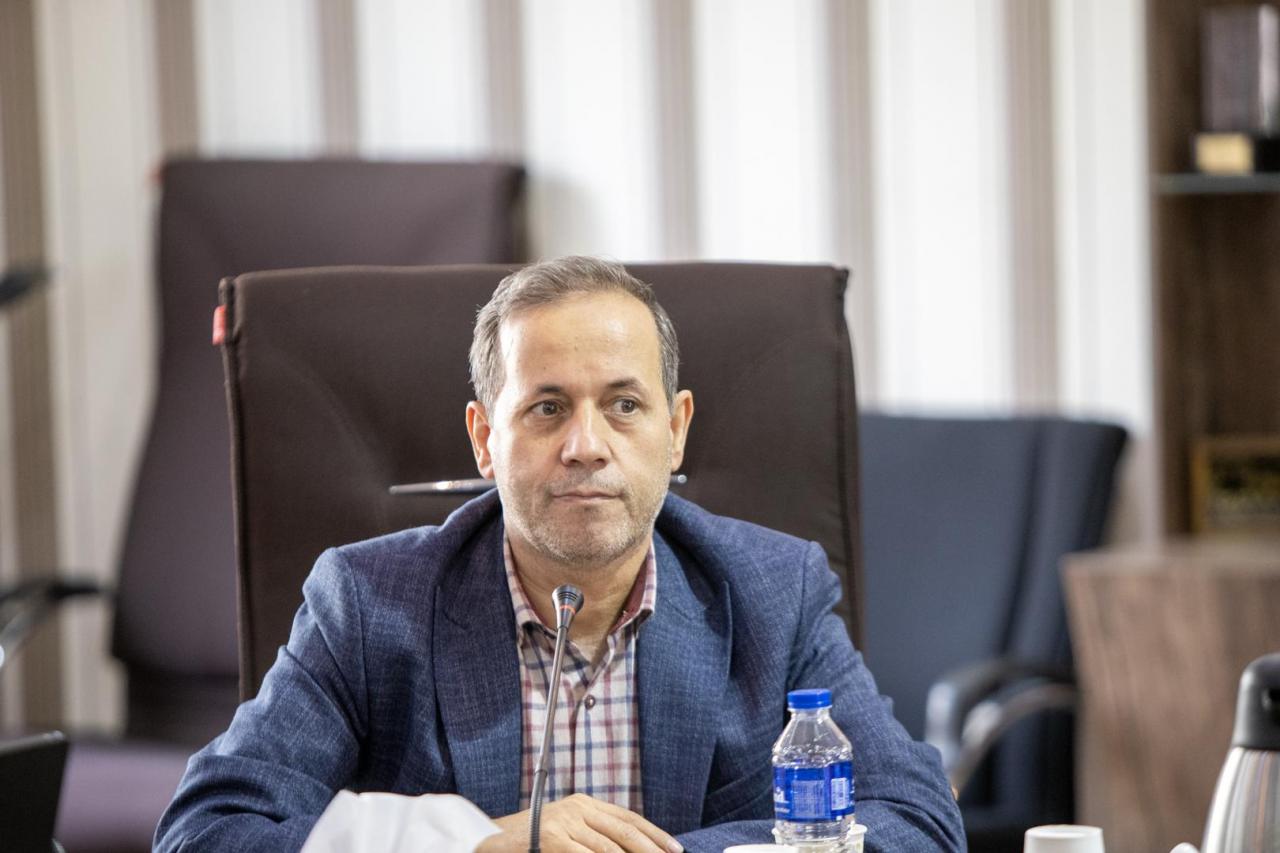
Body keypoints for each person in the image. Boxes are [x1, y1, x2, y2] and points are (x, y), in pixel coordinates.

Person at [154, 256, 964, 852]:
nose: (586, 445)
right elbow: (206, 831)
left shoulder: (774, 594)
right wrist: (470, 844)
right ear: (484, 439)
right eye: (547, 408)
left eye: (624, 404)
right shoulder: (370, 605)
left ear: (676, 430)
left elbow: (918, 820)